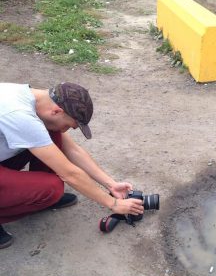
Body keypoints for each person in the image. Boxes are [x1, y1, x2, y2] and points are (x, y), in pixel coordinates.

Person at [0, 82, 144, 249]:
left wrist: (110, 184)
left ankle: (38, 198)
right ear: (57, 111)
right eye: (69, 125)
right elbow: (70, 174)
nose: (66, 130)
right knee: (52, 188)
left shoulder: (33, 99)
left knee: (53, 131)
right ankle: (39, 196)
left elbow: (73, 150)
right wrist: (114, 205)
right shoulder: (18, 114)